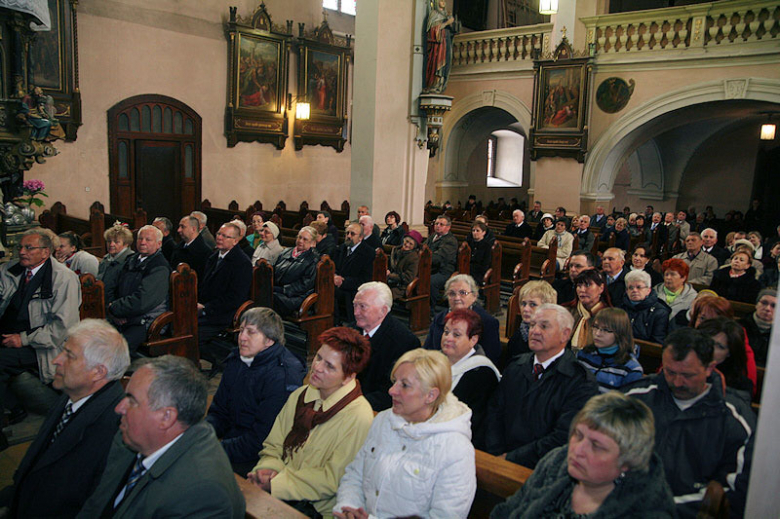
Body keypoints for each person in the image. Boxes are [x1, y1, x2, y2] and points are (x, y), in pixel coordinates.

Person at [77, 355, 245, 518]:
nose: (119, 408)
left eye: (132, 401)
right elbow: (97, 505)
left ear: (166, 417)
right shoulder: (131, 439)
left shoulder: (201, 494)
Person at [0, 320, 130, 517]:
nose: (56, 360)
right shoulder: (71, 395)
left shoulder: (114, 428)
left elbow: (85, 505)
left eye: (69, 355)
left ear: (98, 371)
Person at [624, 328, 755, 518]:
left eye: (688, 375)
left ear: (710, 368)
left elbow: (736, 492)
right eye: (670, 372)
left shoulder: (734, 419)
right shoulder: (635, 399)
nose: (677, 382)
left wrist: (655, 510)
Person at [334, 349, 477, 519]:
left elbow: (445, 516)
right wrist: (348, 509)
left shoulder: (455, 449)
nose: (392, 391)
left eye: (404, 385)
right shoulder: (384, 420)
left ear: (430, 395)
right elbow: (355, 475)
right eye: (394, 382)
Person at [248, 328, 374, 518]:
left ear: (348, 377)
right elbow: (274, 444)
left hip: (317, 509)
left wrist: (276, 484)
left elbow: (331, 480)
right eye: (318, 357)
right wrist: (268, 468)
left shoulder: (358, 417)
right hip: (280, 489)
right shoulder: (303, 394)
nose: (317, 367)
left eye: (330, 366)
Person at [491, 392, 676, 519]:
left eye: (596, 446)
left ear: (629, 459)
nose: (577, 450)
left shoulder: (647, 511)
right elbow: (507, 511)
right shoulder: (556, 462)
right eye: (578, 435)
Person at [485, 304, 599, 468]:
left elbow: (563, 437)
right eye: (532, 325)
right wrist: (495, 452)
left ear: (565, 334)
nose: (535, 331)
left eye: (544, 326)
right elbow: (495, 411)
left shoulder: (580, 381)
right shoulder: (516, 366)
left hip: (542, 469)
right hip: (498, 459)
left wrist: (510, 458)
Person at [0, 229, 82, 449]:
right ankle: (12, 406)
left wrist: (23, 339)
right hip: (9, 333)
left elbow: (62, 328)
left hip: (42, 345)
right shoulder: (11, 270)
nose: (22, 252)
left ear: (46, 252)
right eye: (20, 248)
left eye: (29, 248)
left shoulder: (64, 279)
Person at [207, 308, 306, 475]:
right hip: (235, 441)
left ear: (269, 340)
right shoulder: (238, 359)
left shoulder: (282, 377)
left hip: (261, 455)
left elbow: (261, 439)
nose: (241, 337)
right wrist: (201, 436)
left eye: (250, 332)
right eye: (241, 330)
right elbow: (219, 411)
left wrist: (214, 450)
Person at [353, 282, 420, 411]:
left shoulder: (404, 342)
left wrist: (351, 405)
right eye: (355, 305)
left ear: (383, 310)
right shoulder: (350, 332)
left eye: (362, 306)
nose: (356, 312)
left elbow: (391, 393)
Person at [106, 225, 171, 355]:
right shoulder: (131, 260)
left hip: (145, 321)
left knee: (116, 350)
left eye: (148, 239)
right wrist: (113, 310)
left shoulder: (159, 267)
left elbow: (143, 301)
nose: (142, 242)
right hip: (123, 315)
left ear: (159, 244)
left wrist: (115, 308)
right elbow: (112, 286)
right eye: (140, 239)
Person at [440, 308, 500, 444]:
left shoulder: (482, 373)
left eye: (456, 335)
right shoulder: (436, 362)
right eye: (446, 332)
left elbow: (476, 421)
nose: (448, 338)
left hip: (460, 440)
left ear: (473, 340)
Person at [197, 223, 253, 367]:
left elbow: (235, 298)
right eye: (219, 235)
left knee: (191, 333)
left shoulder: (241, 262)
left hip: (224, 313)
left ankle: (215, 362)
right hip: (206, 308)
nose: (220, 238)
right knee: (180, 325)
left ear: (235, 241)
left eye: (226, 236)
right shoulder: (214, 256)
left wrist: (206, 307)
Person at [424, 274, 500, 364]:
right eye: (452, 293)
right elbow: (427, 350)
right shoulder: (439, 318)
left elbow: (491, 358)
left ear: (474, 296)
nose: (457, 298)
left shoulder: (487, 322)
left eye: (463, 293)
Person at [576, 308, 643, 392]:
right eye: (595, 327)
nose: (597, 333)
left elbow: (626, 403)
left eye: (605, 330)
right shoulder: (584, 354)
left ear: (619, 333)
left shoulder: (630, 369)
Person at [696, 317, 753, 400]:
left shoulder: (741, 386)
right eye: (707, 341)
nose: (710, 348)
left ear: (730, 353)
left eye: (719, 346)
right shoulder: (680, 367)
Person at [272, 226, 321, 317]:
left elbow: (304, 285)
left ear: (313, 243)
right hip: (278, 290)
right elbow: (274, 270)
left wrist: (283, 289)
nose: (300, 241)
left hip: (296, 297)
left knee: (272, 297)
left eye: (305, 239)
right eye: (299, 237)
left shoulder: (313, 259)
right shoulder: (285, 252)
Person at [333, 223, 376, 324]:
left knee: (330, 293)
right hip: (338, 284)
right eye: (347, 233)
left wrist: (343, 282)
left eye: (352, 234)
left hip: (353, 289)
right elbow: (333, 266)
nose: (348, 236)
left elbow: (365, 280)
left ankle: (336, 323)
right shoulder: (342, 248)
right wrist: (334, 275)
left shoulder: (368, 253)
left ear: (360, 237)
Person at [506, 280, 557, 361]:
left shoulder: (557, 340)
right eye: (523, 304)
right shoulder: (517, 337)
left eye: (532, 304)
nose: (525, 309)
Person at [619, 270, 670, 343]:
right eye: (630, 288)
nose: (634, 290)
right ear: (626, 291)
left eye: (639, 287)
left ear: (648, 290)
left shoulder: (660, 312)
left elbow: (657, 341)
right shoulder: (621, 307)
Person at [567, 269, 611, 350]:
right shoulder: (568, 312)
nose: (582, 290)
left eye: (587, 285)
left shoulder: (609, 316)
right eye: (579, 286)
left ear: (601, 288)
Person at [425, 215, 458, 309]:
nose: (438, 226)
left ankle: (431, 308)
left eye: (441, 224)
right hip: (431, 267)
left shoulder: (450, 240)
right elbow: (423, 248)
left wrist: (423, 258)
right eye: (436, 224)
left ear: (448, 227)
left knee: (430, 281)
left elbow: (439, 258)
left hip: (444, 270)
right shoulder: (433, 236)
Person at [423, 0, 455, 93]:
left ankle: (441, 85)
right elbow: (432, 30)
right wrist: (446, 23)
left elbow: (449, 30)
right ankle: (434, 85)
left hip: (446, 43)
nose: (443, 2)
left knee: (446, 65)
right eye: (441, 0)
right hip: (438, 45)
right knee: (437, 65)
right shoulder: (434, 14)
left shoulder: (446, 15)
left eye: (444, 1)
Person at [97, 223, 135, 299]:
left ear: (126, 244)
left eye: (116, 242)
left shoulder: (130, 260)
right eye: (108, 241)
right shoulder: (106, 259)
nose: (111, 244)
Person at [740, 288, 776, 366]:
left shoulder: (777, 332)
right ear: (756, 304)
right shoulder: (740, 326)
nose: (767, 309)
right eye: (764, 303)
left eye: (774, 306)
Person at [170, 215, 212, 279]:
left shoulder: (205, 252)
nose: (178, 230)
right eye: (179, 226)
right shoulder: (179, 247)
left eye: (182, 227)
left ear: (193, 229)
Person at [656, 258, 697, 323]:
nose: (668, 278)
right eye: (666, 274)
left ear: (683, 278)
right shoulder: (654, 293)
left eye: (672, 274)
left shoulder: (692, 298)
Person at [387, 230, 422, 300]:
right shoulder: (396, 250)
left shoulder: (414, 257)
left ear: (414, 246)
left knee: (383, 296)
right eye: (406, 241)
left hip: (401, 286)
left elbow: (408, 278)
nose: (407, 245)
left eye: (411, 244)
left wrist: (390, 275)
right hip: (389, 281)